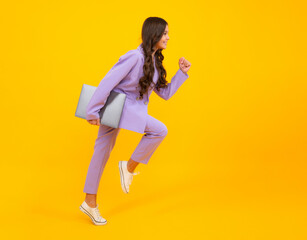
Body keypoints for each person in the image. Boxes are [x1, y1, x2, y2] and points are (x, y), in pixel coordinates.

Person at [79, 17, 191, 225]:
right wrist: (92, 110)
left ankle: (91, 201)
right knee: (159, 131)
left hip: (124, 111)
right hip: (119, 108)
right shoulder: (134, 57)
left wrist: (181, 73)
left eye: (168, 33)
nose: (168, 37)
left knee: (101, 153)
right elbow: (108, 81)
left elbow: (165, 94)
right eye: (165, 33)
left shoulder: (154, 63)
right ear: (155, 34)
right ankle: (126, 169)